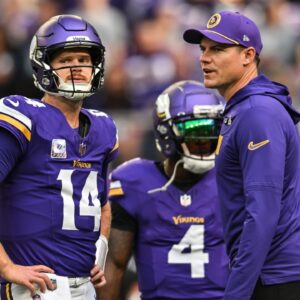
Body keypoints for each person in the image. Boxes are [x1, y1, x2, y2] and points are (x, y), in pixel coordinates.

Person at [183, 10, 300, 300]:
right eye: (203, 49)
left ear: (248, 55)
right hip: (272, 273)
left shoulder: (256, 112)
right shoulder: (245, 109)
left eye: (218, 49)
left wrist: (236, 293)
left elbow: (262, 212)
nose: (204, 58)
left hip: (276, 277)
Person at [0, 15, 118, 300]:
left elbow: (102, 203)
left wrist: (99, 249)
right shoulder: (22, 116)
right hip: (32, 288)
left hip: (84, 288)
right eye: (65, 61)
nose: (76, 68)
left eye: (83, 59)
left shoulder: (103, 127)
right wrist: (6, 267)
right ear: (44, 65)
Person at [99, 80, 229, 300]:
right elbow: (114, 264)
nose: (205, 140)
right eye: (195, 130)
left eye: (213, 130)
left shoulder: (231, 179)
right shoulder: (134, 182)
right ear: (166, 131)